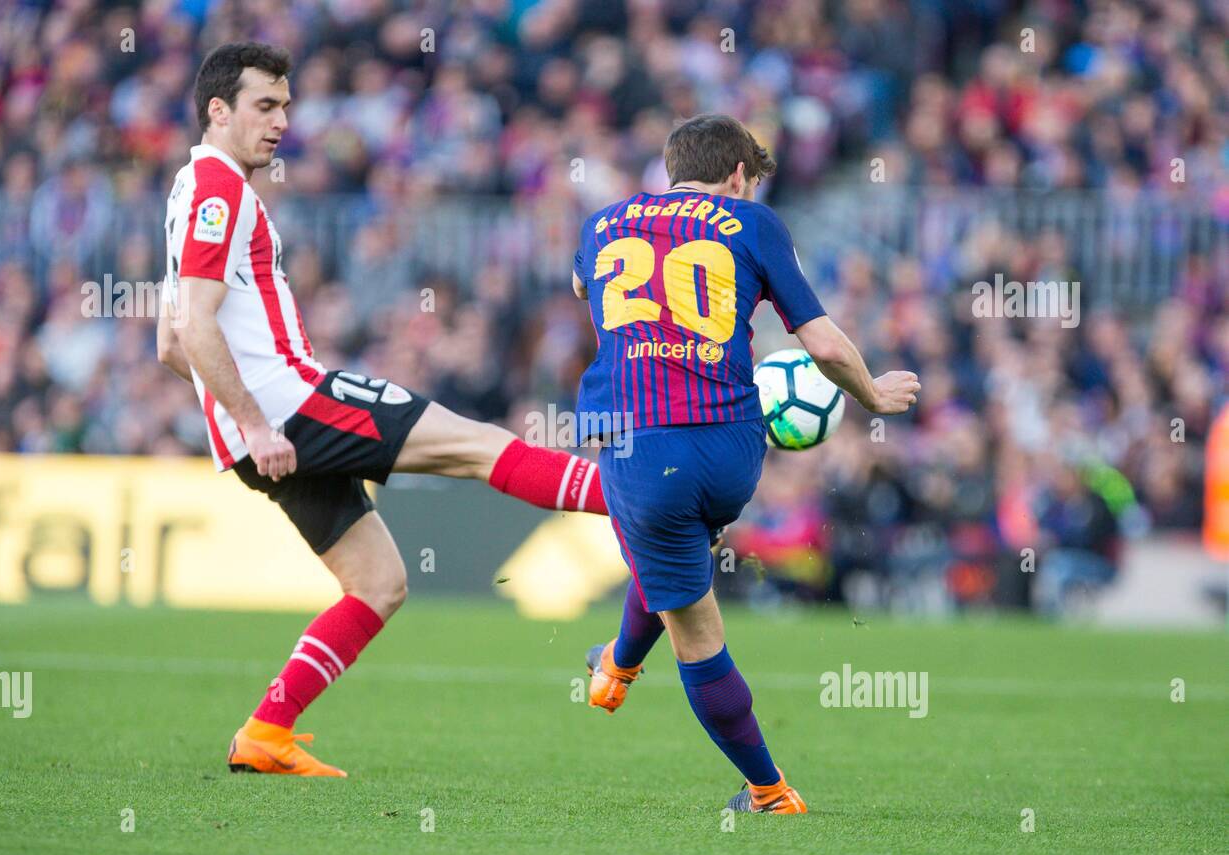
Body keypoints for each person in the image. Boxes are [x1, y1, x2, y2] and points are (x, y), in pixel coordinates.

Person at [157, 42, 608, 777]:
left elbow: (168, 345)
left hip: (264, 430)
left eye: (286, 107)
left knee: (379, 585)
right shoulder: (220, 192)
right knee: (478, 445)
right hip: (294, 407)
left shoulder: (187, 189)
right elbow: (196, 330)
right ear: (219, 109)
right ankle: (636, 502)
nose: (280, 124)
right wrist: (260, 419)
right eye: (264, 106)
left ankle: (265, 734)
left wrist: (239, 422)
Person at [572, 114, 920, 813]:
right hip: (733, 446)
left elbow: (585, 292)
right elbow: (819, 343)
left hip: (641, 443)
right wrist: (873, 396)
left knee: (693, 625)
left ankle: (768, 791)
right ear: (738, 176)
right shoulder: (751, 225)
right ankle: (617, 663)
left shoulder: (604, 224)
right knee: (678, 558)